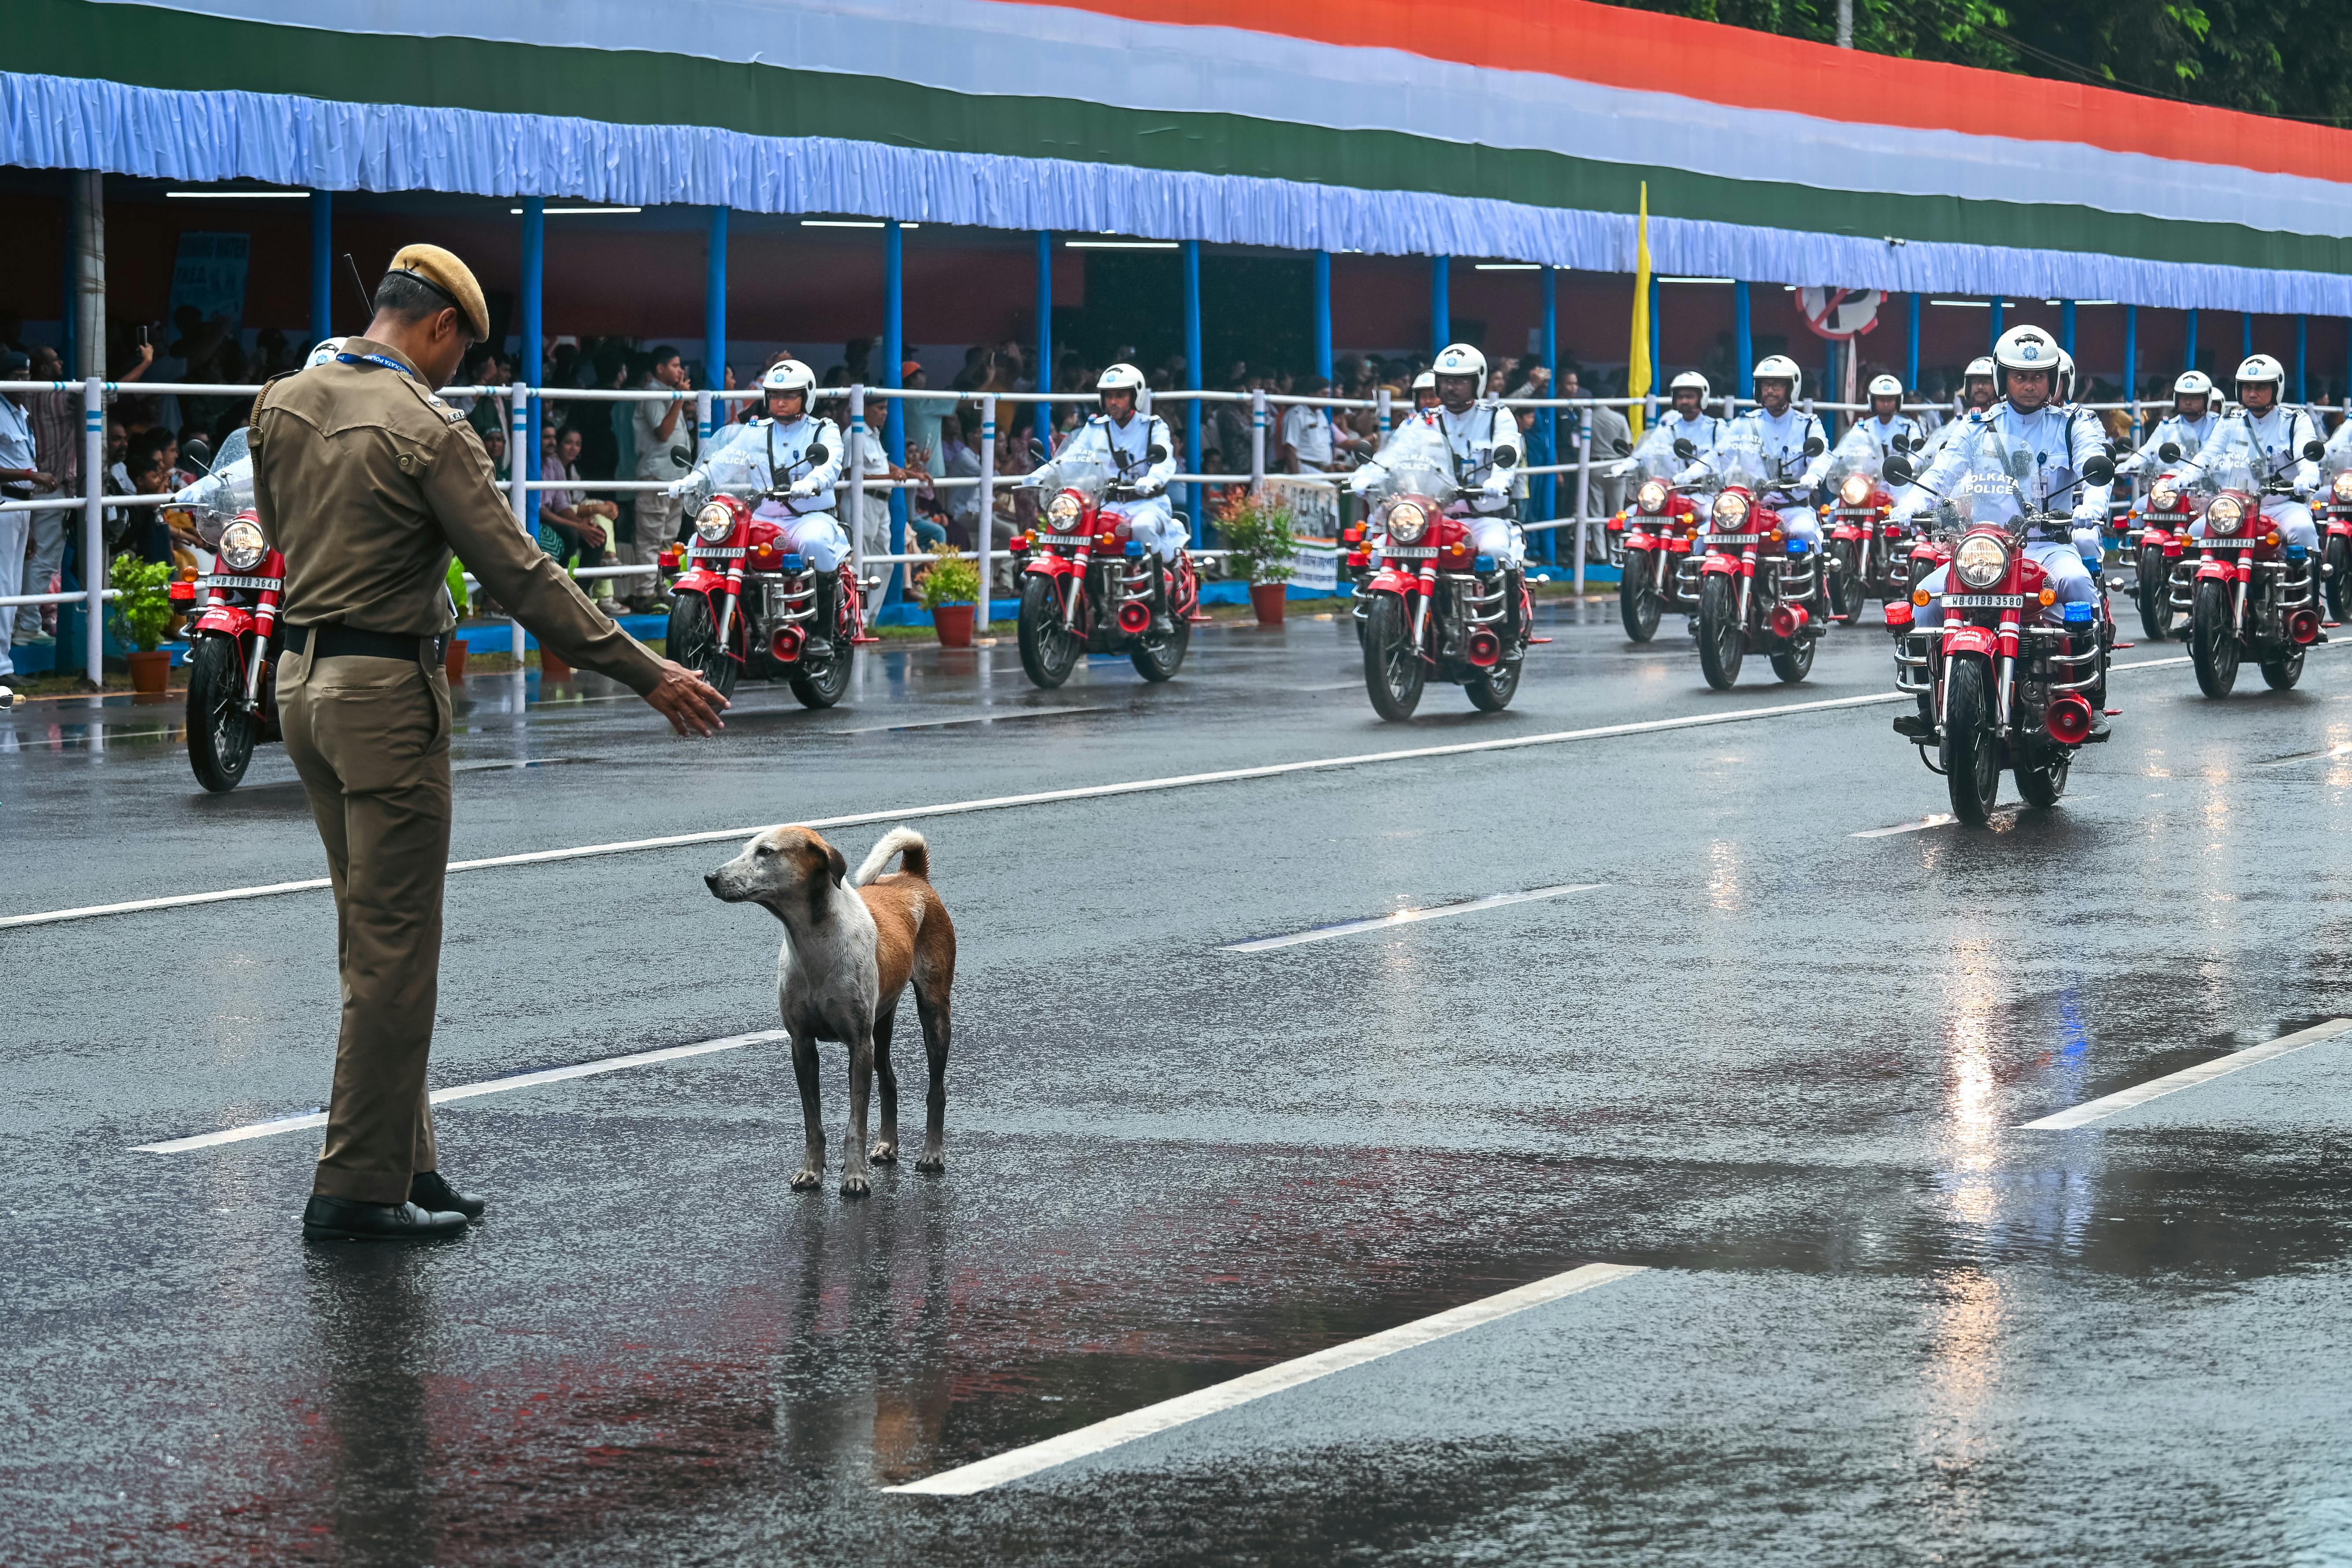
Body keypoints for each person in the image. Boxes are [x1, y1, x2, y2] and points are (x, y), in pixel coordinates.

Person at [250, 244, 726, 1243]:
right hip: (385, 695)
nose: (455, 368)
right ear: (435, 327)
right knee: (394, 949)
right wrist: (647, 671)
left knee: (369, 935)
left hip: (300, 684)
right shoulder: (428, 429)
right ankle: (354, 1189)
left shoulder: (280, 402)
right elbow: (521, 576)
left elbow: (282, 530)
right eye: (458, 349)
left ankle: (405, 1160)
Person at [1896, 323, 2108, 639]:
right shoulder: (1977, 426)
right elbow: (1941, 472)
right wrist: (1911, 503)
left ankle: (2089, 666)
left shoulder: (2070, 425)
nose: (2029, 385)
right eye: (2019, 376)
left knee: (2077, 581)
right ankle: (1928, 685)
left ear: (2052, 379)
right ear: (2003, 378)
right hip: (1983, 551)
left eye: (2038, 377)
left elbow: (2093, 466)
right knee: (1926, 597)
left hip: (2047, 547)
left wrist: (2092, 506)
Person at [677, 357, 855, 581]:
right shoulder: (755, 431)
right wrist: (693, 480)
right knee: (702, 539)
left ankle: (822, 615)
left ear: (806, 396)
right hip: (761, 517)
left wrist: (812, 483)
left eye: (789, 396)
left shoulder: (823, 430)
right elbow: (722, 461)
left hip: (808, 519)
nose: (781, 402)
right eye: (774, 395)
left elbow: (830, 464)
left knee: (815, 543)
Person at [1027, 363, 1180, 564]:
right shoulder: (1095, 429)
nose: (1113, 402)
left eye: (1120, 396)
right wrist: (1046, 472)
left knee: (1143, 528)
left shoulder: (1153, 427)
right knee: (1074, 526)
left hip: (1146, 504)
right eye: (1109, 396)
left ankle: (1162, 583)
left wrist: (1153, 479)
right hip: (1106, 504)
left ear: (1136, 396)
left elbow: (1165, 459)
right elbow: (1071, 457)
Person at [1681, 355, 1827, 551]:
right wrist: (1689, 475)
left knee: (1805, 532)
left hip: (1791, 508)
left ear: (1792, 388)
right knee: (1704, 536)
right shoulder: (1745, 424)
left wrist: (1813, 476)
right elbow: (1718, 456)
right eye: (1765, 385)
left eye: (1777, 385)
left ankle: (1817, 580)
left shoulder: (1807, 425)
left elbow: (1821, 456)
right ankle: (1694, 581)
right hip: (1747, 509)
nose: (1770, 391)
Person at [2200, 354, 2322, 569]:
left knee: (2303, 529)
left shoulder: (2294, 421)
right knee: (2195, 532)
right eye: (2247, 387)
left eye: (2261, 387)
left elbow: (2306, 452)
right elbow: (2208, 454)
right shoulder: (2228, 421)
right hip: (2236, 508)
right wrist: (2187, 476)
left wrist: (2308, 476)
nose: (2252, 393)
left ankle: (2307, 593)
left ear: (2277, 389)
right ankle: (2186, 595)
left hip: (2282, 506)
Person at [539, 426, 621, 615]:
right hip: (538, 519)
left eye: (553, 438)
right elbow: (541, 511)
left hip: (555, 516)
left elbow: (562, 505)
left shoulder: (555, 465)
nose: (551, 442)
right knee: (571, 534)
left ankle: (581, 596)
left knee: (597, 535)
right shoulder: (532, 463)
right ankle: (560, 592)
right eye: (546, 438)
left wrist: (583, 525)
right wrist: (577, 525)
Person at [632, 346, 695, 573]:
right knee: (651, 539)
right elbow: (663, 434)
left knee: (669, 540)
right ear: (660, 369)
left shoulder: (669, 393)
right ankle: (645, 593)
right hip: (656, 477)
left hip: (676, 479)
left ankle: (661, 589)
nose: (681, 371)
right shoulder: (653, 392)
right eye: (675, 366)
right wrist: (680, 398)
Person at [2118, 371, 2220, 478]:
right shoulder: (2167, 427)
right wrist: (2130, 463)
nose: (2188, 402)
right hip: (2171, 486)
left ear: (2207, 399)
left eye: (2195, 398)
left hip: (2208, 487)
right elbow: (2149, 450)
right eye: (2183, 397)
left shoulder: (2219, 424)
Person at [1856, 373, 1926, 455]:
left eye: (1890, 400)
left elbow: (1916, 455)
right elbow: (1849, 452)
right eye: (1881, 400)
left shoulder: (1909, 427)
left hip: (1900, 468)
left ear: (1898, 402)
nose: (1886, 404)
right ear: (1873, 401)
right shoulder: (1863, 428)